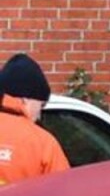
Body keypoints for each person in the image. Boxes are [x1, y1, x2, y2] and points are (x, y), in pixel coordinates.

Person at [0, 53, 69, 185]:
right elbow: (63, 192)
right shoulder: (43, 144)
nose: (39, 116)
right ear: (25, 99)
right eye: (40, 105)